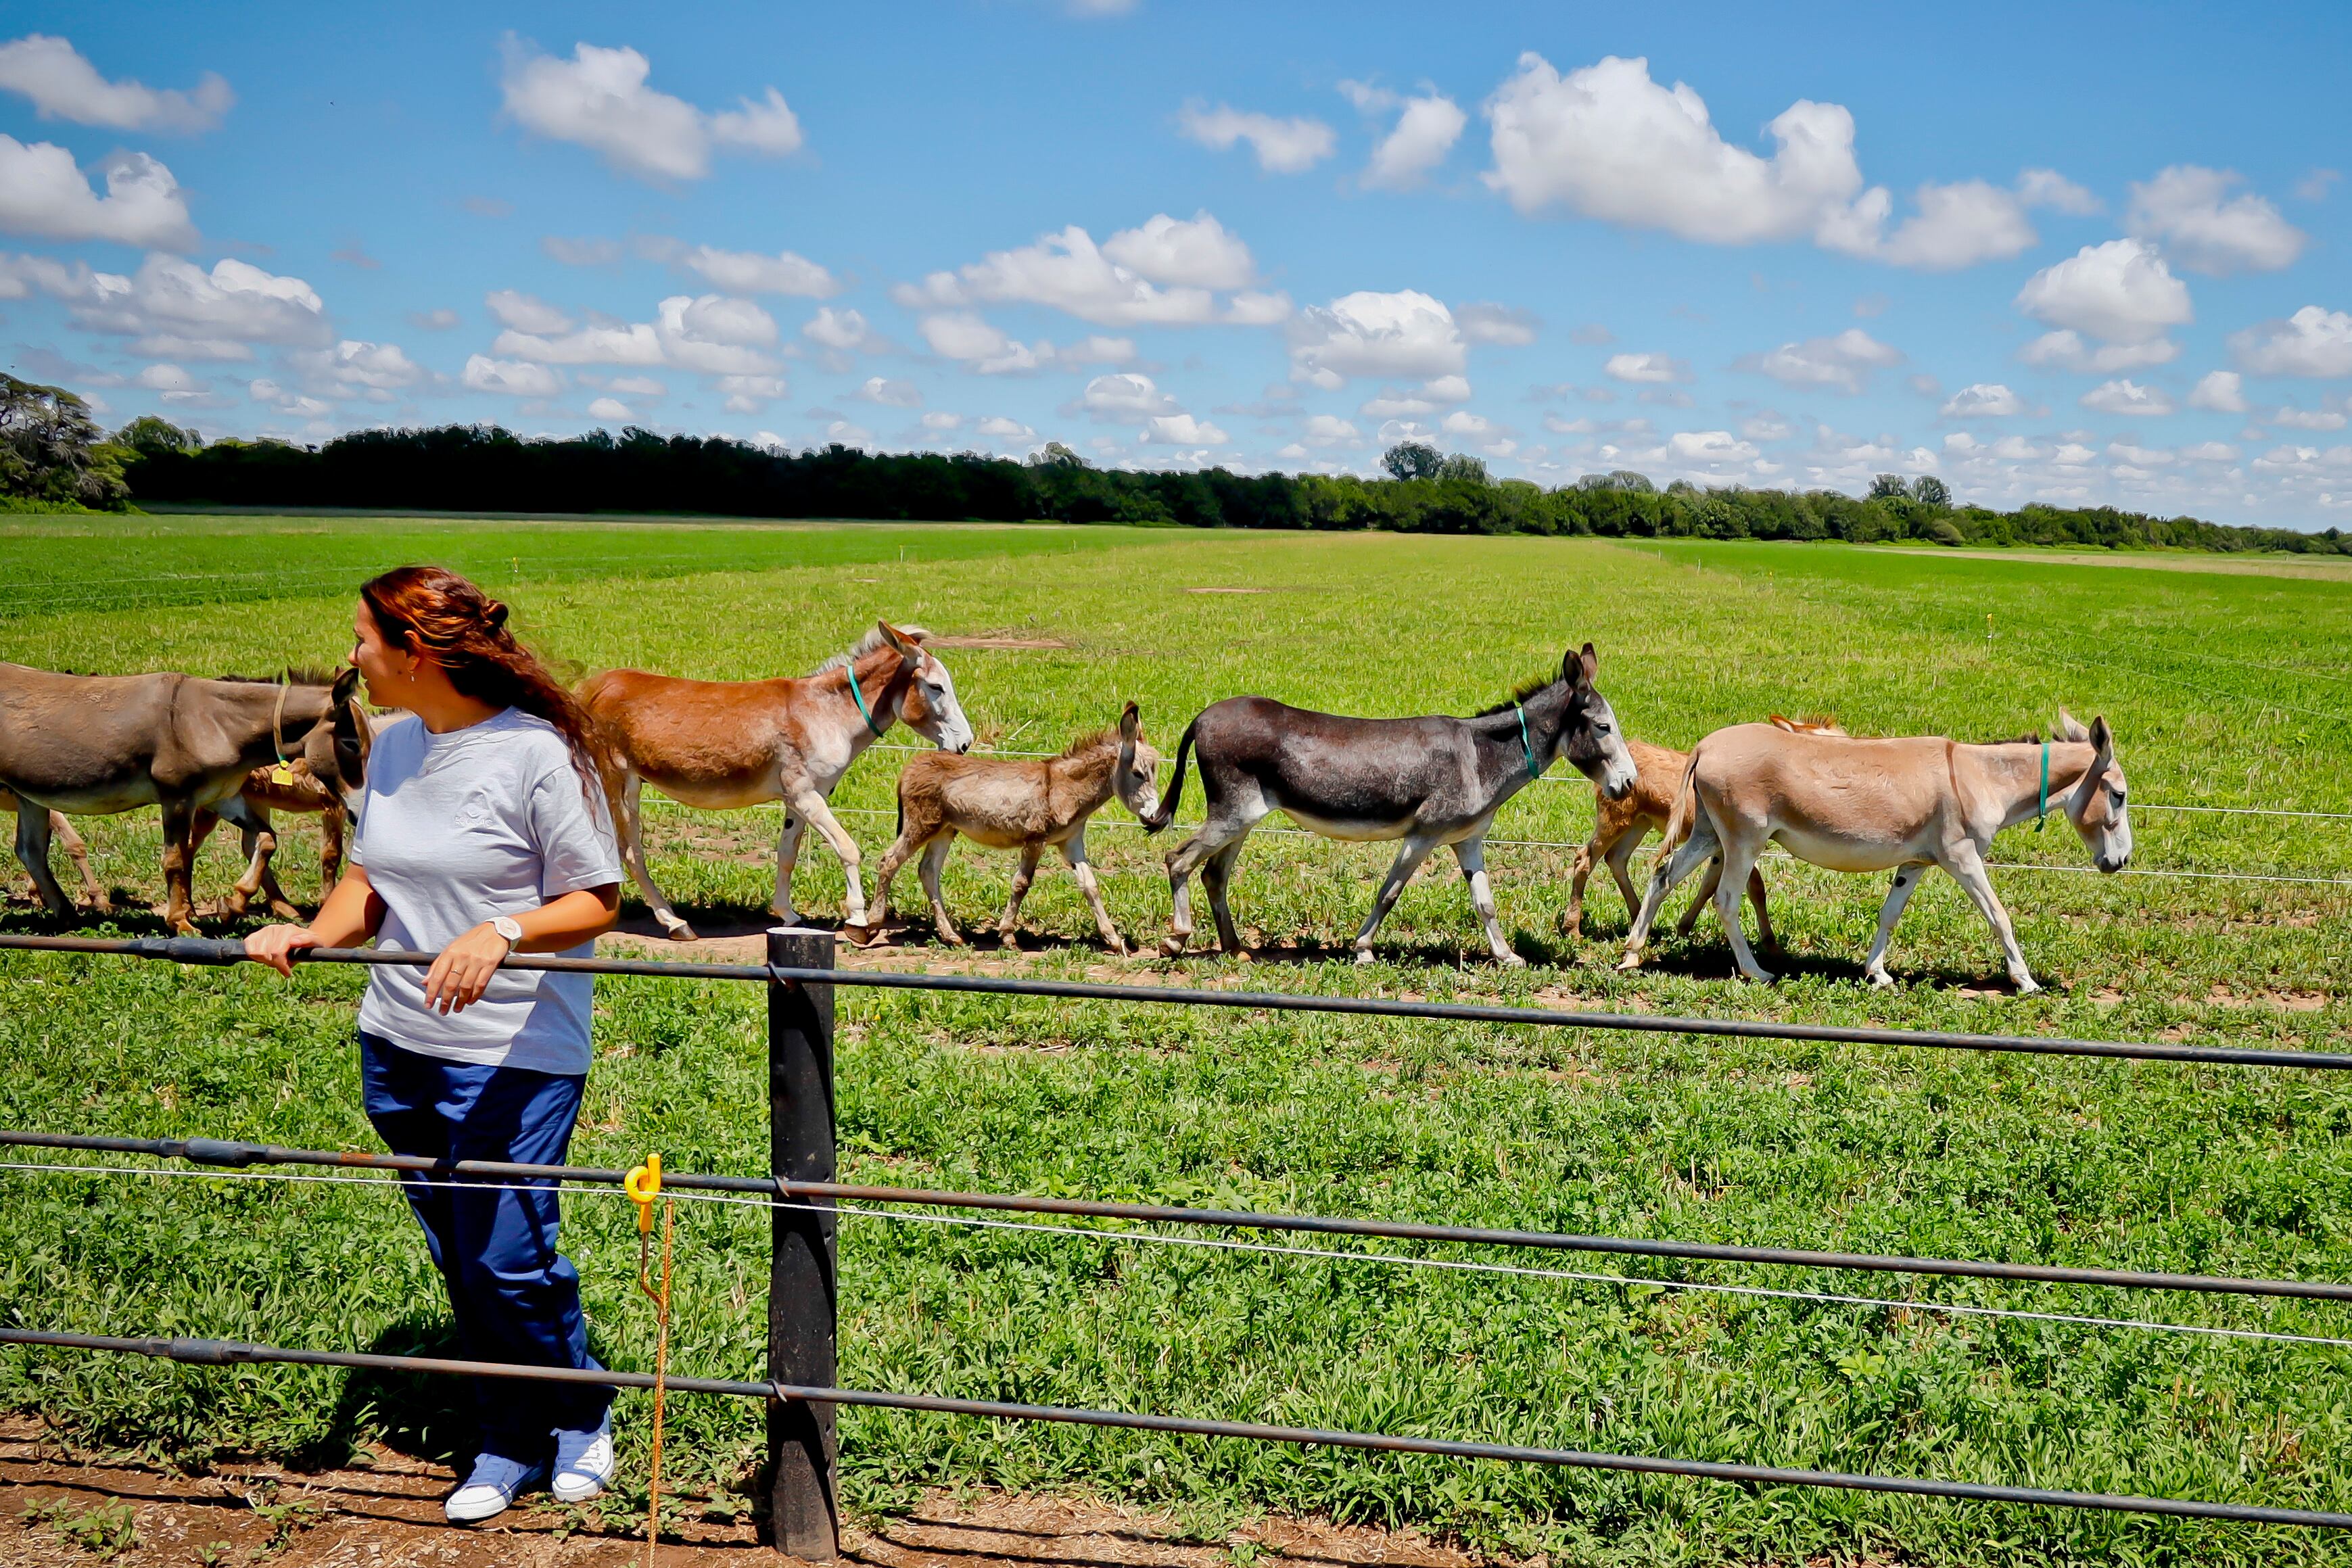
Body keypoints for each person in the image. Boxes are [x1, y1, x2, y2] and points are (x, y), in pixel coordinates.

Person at [245, 565, 624, 1525]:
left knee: (504, 1253)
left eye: (363, 640)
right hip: (398, 1040)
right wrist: (314, 934)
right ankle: (506, 1429)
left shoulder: (539, 755)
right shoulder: (399, 744)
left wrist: (500, 930)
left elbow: (596, 898)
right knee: (459, 1250)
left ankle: (577, 1412)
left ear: (415, 652)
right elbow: (370, 882)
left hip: (514, 1048)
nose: (352, 657)